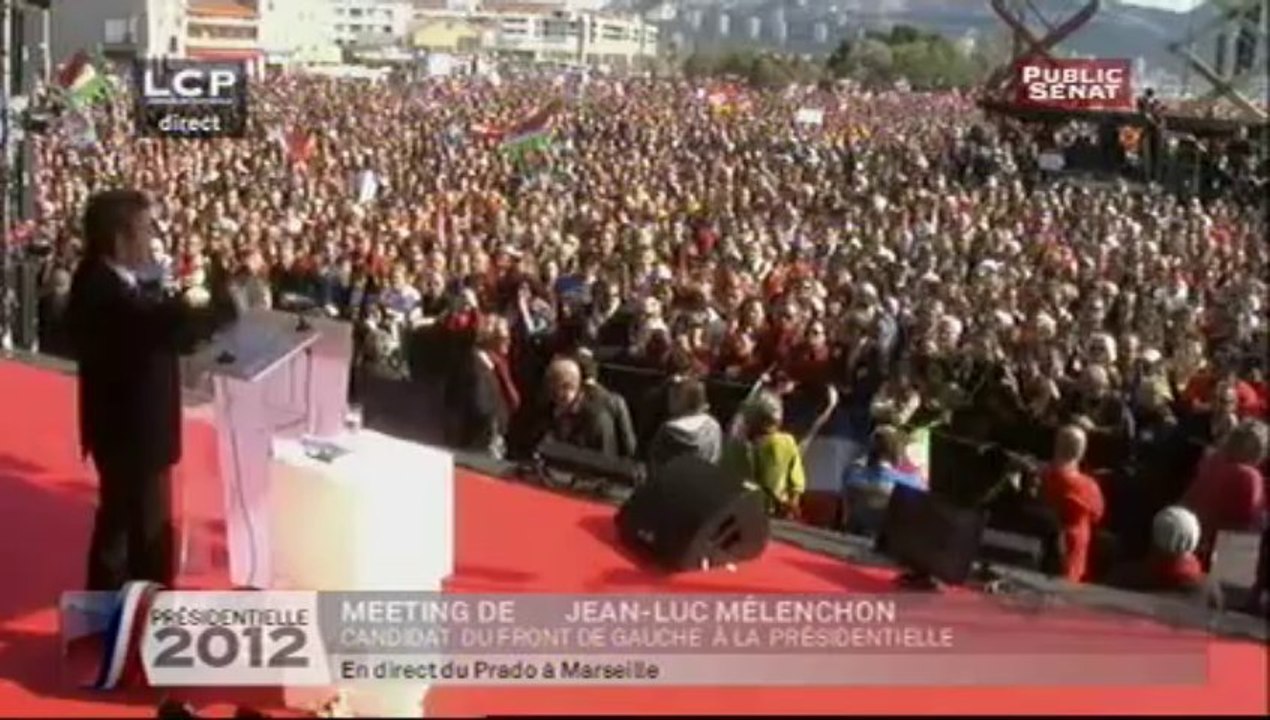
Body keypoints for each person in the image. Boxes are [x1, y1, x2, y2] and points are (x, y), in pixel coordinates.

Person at [66, 189, 231, 590]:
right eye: (143, 230)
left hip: (124, 429)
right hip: (133, 432)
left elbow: (158, 322)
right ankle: (144, 617)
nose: (150, 238)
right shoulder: (104, 291)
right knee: (142, 532)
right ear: (120, 239)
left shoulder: (100, 278)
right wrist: (221, 302)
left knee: (119, 524)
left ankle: (110, 612)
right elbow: (159, 325)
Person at [1182, 420, 1268, 567]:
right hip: (1224, 549)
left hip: (1193, 535)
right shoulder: (1249, 476)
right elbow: (1250, 522)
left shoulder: (1211, 459)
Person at [1039, 425, 1107, 583]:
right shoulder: (1089, 486)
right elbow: (1097, 515)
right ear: (1082, 451)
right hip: (1074, 545)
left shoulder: (1042, 477)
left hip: (1042, 546)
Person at [841, 425, 925, 538]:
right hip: (891, 542)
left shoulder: (852, 473)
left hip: (855, 535)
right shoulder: (913, 483)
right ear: (898, 452)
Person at [647, 376, 723, 469]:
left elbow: (656, 465)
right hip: (704, 481)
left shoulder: (668, 430)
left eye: (675, 395)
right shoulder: (713, 426)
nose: (669, 399)